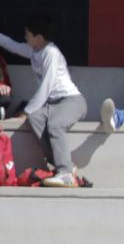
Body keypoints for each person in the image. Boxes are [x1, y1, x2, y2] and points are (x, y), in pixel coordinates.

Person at [0, 14, 89, 187]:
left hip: (71, 101)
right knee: (35, 119)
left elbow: (45, 88)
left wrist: (25, 112)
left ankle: (65, 173)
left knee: (55, 124)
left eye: (28, 34)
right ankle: (64, 164)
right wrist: (29, 114)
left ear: (39, 38)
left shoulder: (51, 53)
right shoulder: (34, 50)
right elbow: (11, 45)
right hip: (52, 104)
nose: (25, 38)